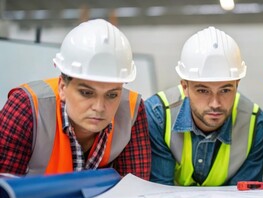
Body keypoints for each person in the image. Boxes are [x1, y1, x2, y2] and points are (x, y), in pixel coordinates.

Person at [0, 19, 151, 178]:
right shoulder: (26, 107)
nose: (99, 107)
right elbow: (4, 192)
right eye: (86, 93)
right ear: (62, 87)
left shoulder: (132, 110)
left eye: (112, 95)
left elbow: (134, 195)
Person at [145, 26, 263, 186]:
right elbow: (160, 194)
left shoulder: (254, 123)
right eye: (203, 90)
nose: (215, 103)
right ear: (185, 87)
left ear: (237, 85)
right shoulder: (158, 115)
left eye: (225, 90)